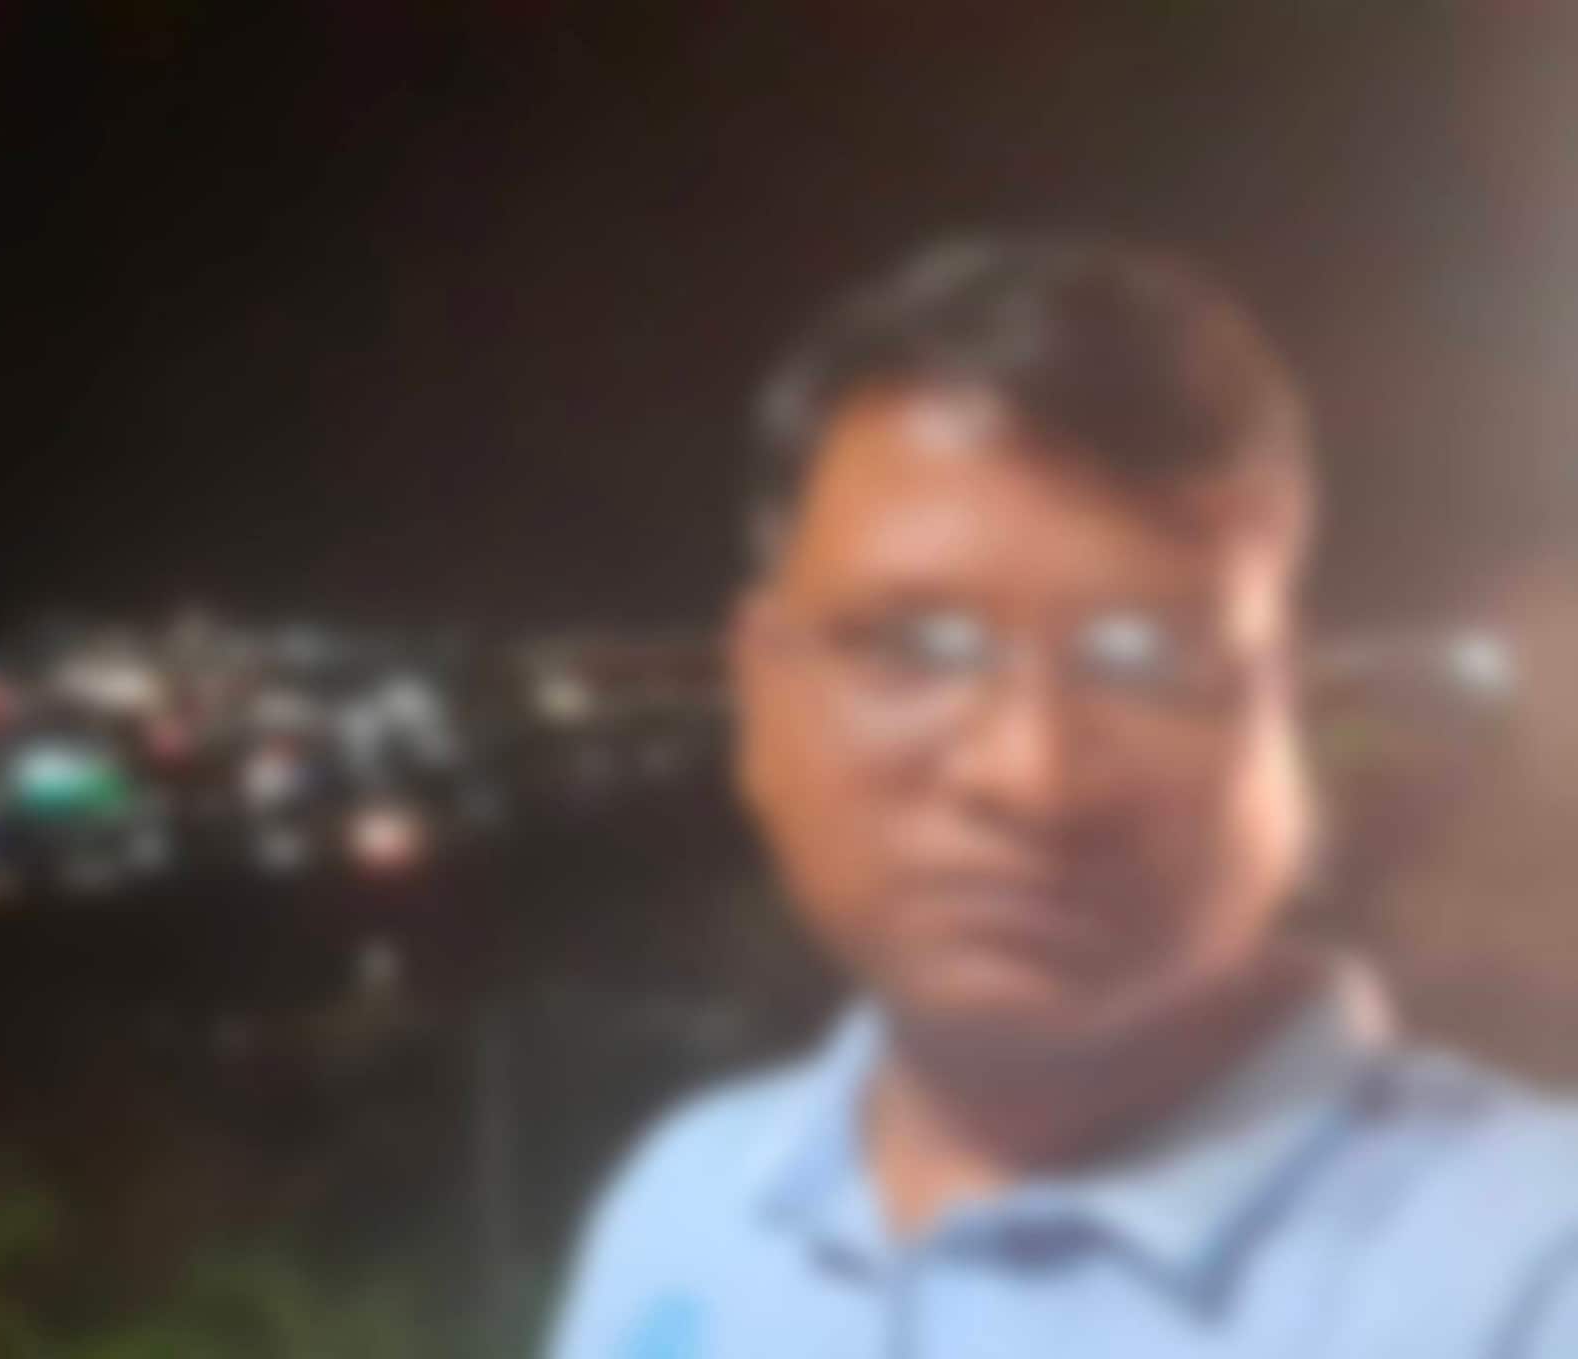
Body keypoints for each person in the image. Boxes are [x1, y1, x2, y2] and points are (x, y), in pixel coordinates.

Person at [546, 236, 1578, 1358]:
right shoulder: (685, 1208)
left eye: (1148, 662)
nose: (1029, 777)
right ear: (760, 693)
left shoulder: (1526, 1267)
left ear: (1285, 712)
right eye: (913, 648)